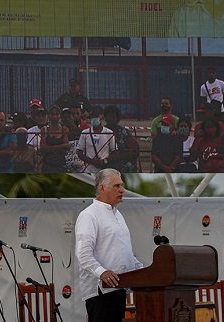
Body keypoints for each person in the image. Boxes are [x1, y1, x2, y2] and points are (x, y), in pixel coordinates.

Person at [75, 169, 143, 322]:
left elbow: (123, 250)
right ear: (102, 188)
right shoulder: (89, 215)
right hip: (101, 291)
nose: (122, 190)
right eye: (117, 186)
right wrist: (103, 272)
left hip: (119, 287)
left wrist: (142, 270)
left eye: (122, 185)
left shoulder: (117, 214)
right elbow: (83, 254)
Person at [77, 106, 116, 173]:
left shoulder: (109, 133)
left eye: (96, 116)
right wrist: (92, 161)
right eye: (92, 117)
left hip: (104, 169)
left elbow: (114, 151)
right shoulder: (85, 133)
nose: (93, 119)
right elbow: (79, 152)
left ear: (102, 117)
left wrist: (104, 161)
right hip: (88, 169)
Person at [104, 105, 139, 173]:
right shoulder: (101, 132)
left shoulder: (124, 132)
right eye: (109, 117)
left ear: (118, 118)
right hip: (105, 162)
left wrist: (119, 156)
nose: (111, 119)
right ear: (105, 118)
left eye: (113, 117)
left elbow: (134, 151)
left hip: (122, 162)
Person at [39, 105, 70, 172]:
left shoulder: (64, 129)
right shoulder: (44, 130)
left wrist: (50, 147)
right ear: (49, 116)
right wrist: (60, 146)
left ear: (60, 116)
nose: (54, 116)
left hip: (61, 164)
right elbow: (43, 148)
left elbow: (66, 147)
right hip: (47, 164)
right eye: (52, 114)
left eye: (57, 114)